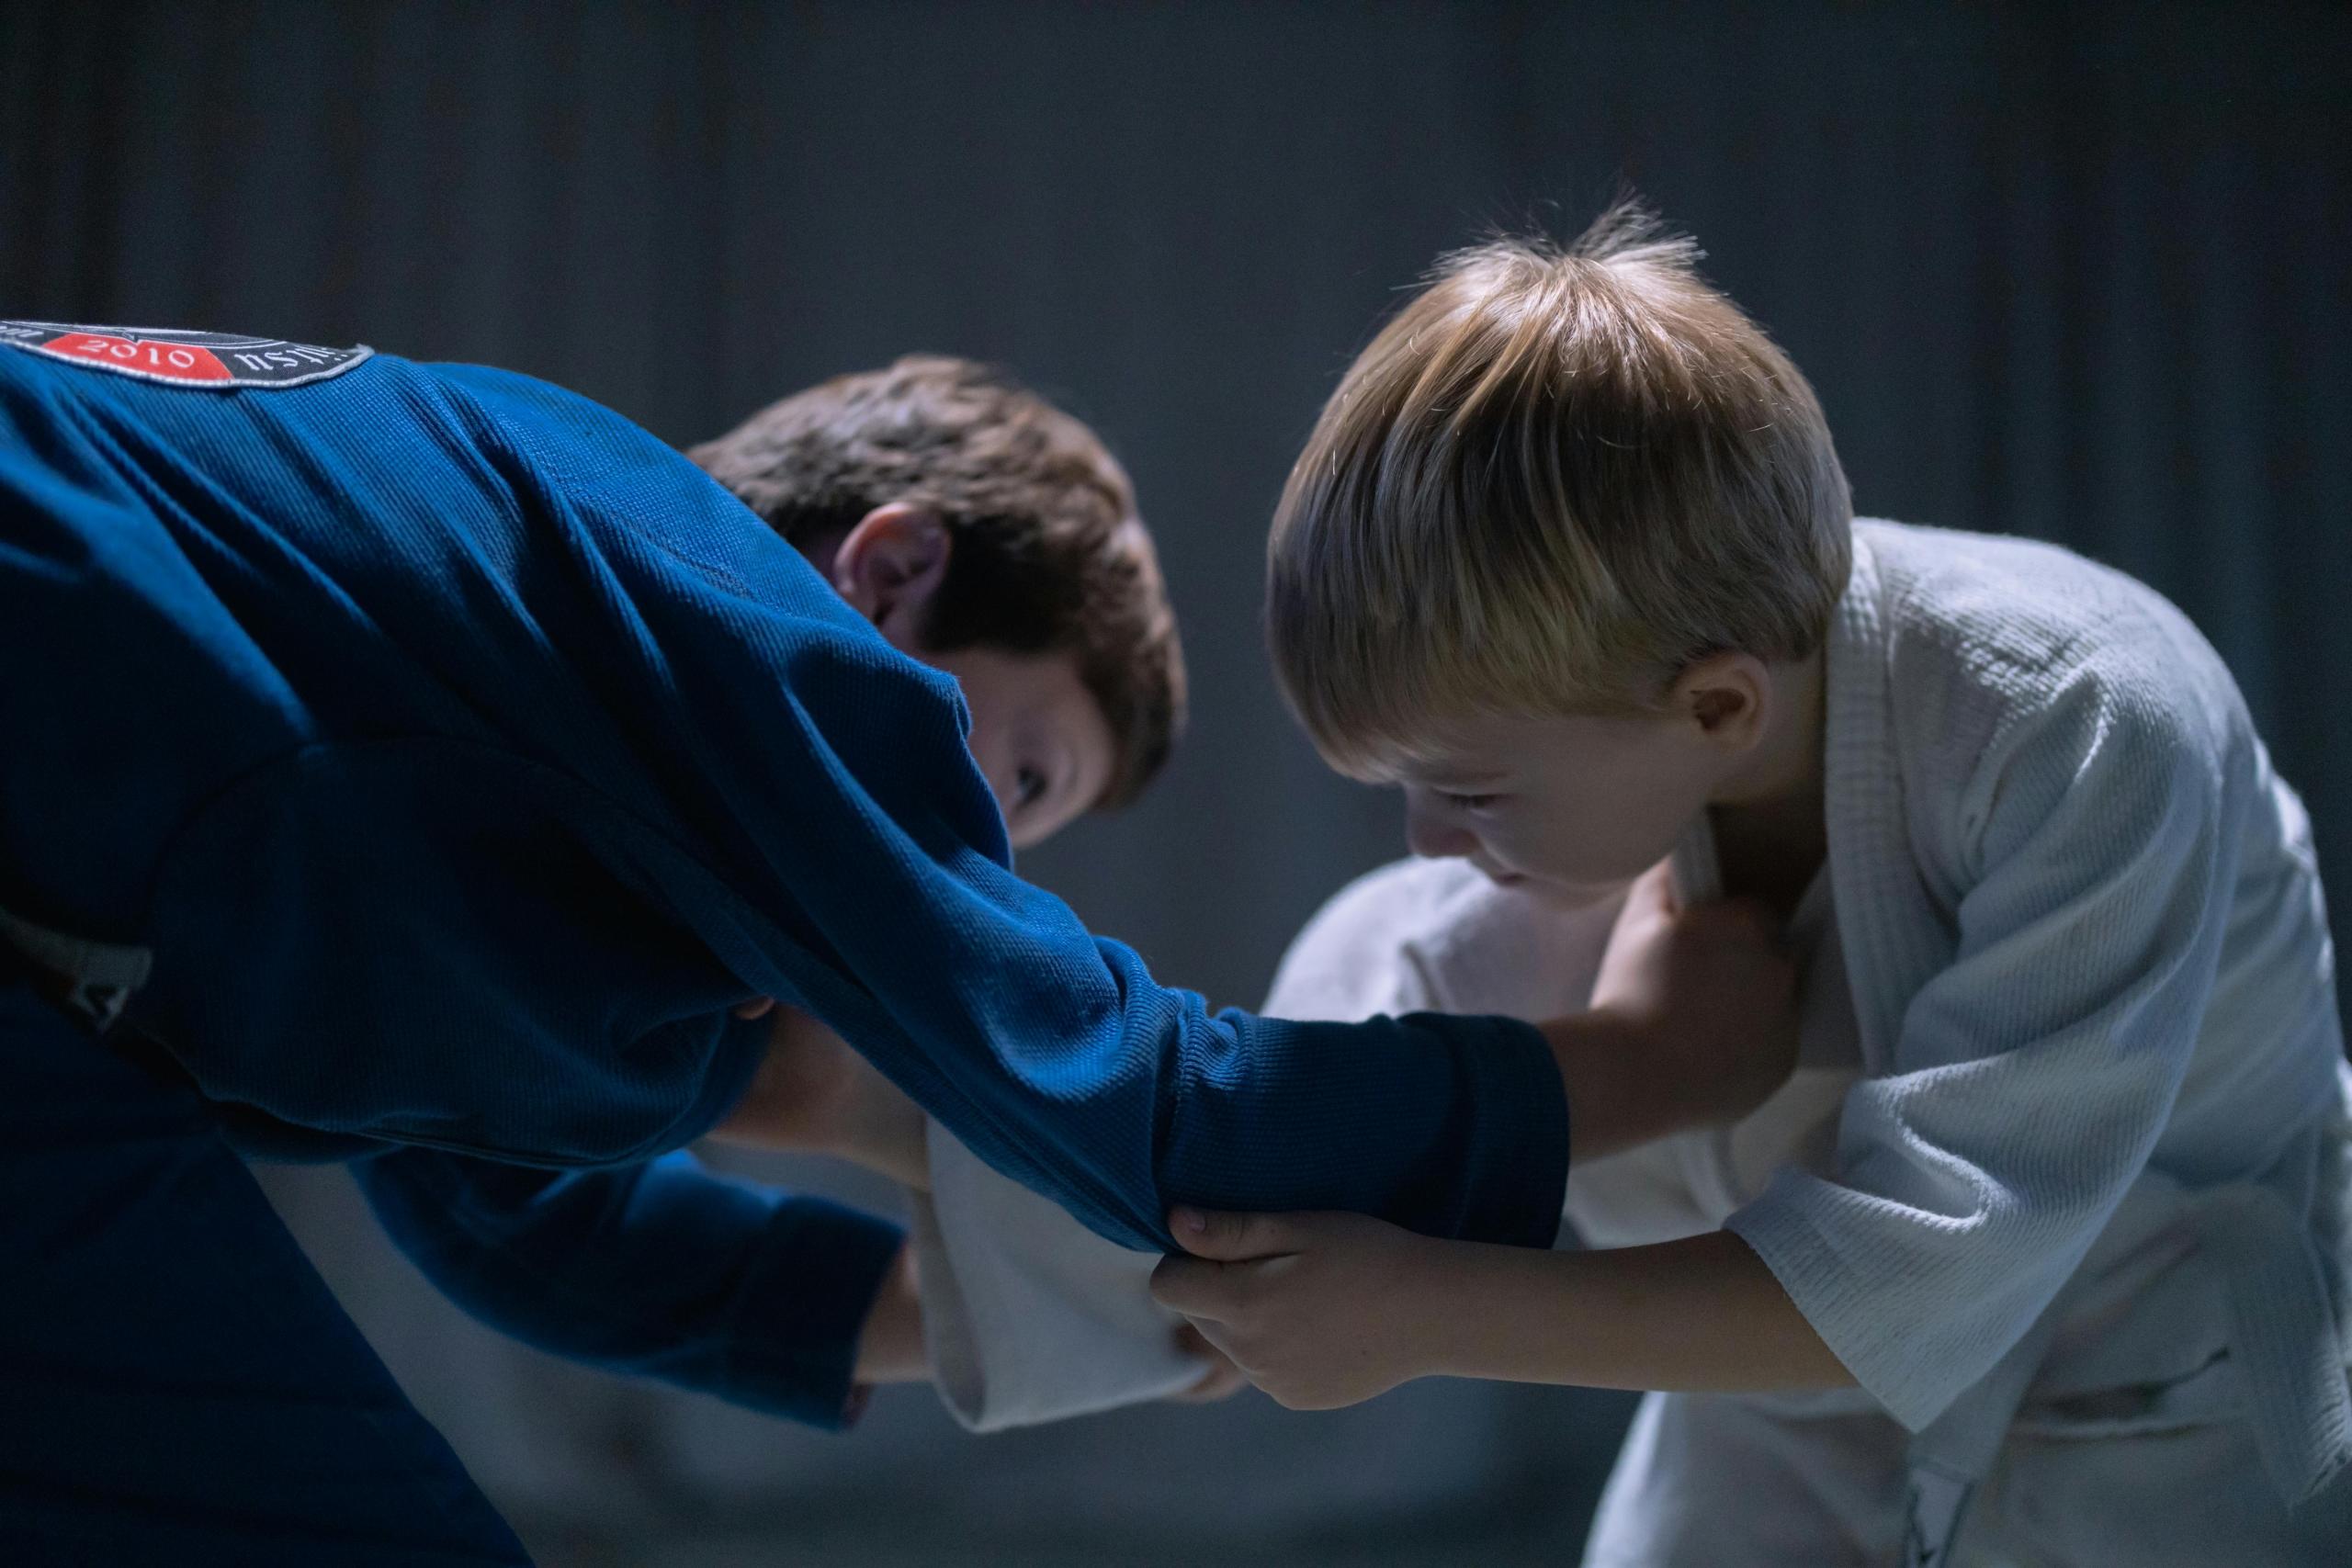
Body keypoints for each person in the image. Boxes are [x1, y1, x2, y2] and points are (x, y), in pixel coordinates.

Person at [0, 320, 1796, 1564]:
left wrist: (1035, 1306)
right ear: (885, 571)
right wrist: (1630, 1069)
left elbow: (525, 1224)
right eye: (1006, 777)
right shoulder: (720, 605)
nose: (977, 863)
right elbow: (1115, 1081)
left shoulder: (501, 708)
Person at [886, 209, 2352, 1563]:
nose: (1428, 841)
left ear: (1717, 709)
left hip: (2153, 1383)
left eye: (1465, 789)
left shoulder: (2081, 726)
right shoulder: (1619, 753)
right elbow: (1271, 1149)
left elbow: (1920, 1282)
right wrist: (883, 1111)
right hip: (1775, 1392)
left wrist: (1426, 1309)